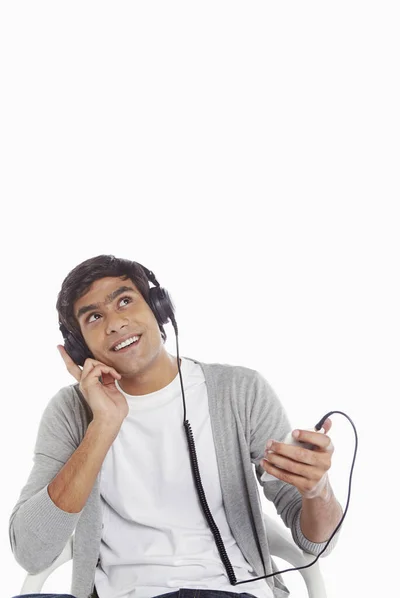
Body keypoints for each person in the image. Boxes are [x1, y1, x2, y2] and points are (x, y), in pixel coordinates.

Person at [9, 255, 343, 598]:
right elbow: (32, 552)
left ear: (159, 308)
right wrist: (103, 426)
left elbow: (316, 544)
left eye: (125, 301)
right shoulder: (70, 411)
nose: (114, 323)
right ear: (80, 347)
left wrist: (318, 491)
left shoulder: (239, 390)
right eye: (94, 316)